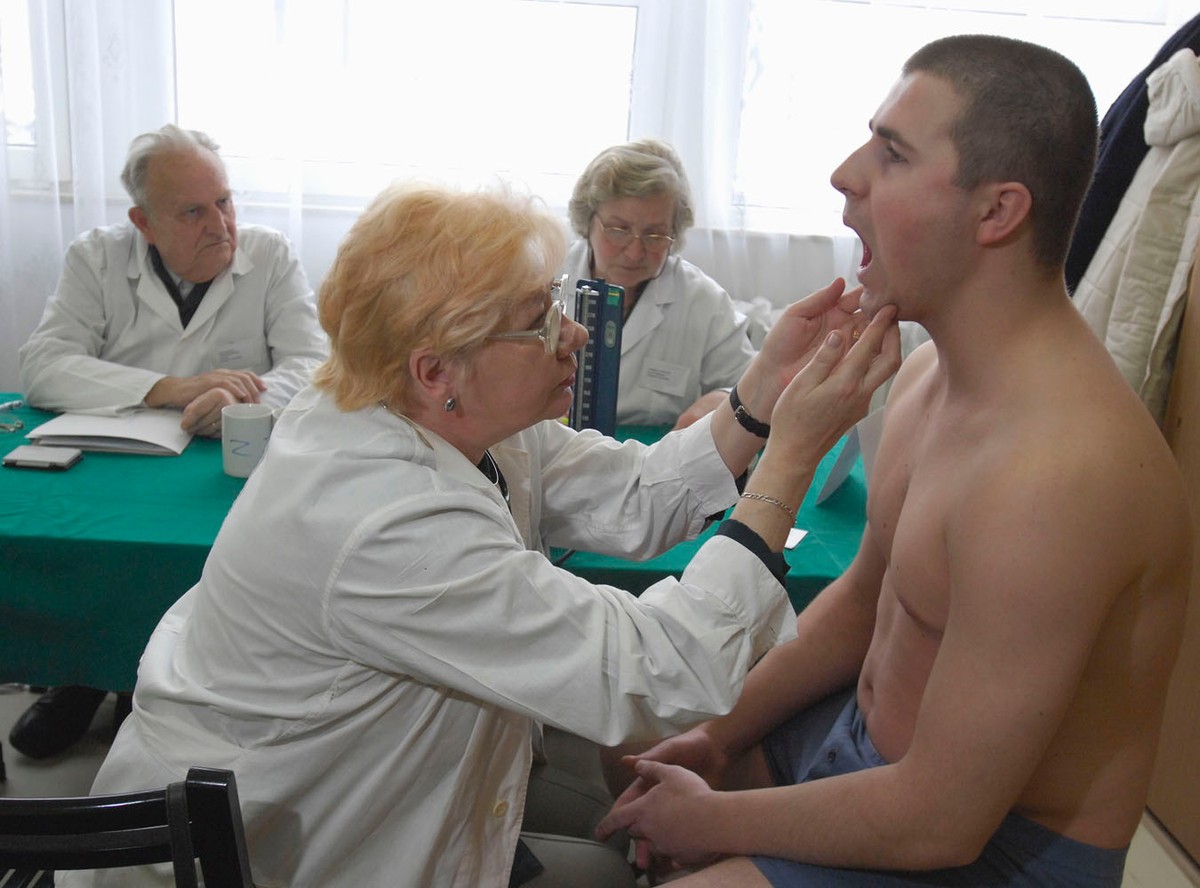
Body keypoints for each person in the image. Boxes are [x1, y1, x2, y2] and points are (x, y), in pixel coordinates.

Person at [61, 181, 900, 887]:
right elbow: (659, 672)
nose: (574, 333)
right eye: (540, 320)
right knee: (616, 865)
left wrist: (760, 393)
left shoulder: (430, 410)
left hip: (369, 789)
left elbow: (635, 495)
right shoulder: (383, 516)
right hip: (279, 851)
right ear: (438, 370)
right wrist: (790, 460)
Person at [595, 34, 1192, 888]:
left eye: (893, 154)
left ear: (997, 212)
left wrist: (708, 817)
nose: (845, 175)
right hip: (867, 748)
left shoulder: (1061, 475)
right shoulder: (924, 377)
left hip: (983, 844)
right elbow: (864, 602)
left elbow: (940, 823)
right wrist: (714, 737)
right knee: (633, 744)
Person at [12, 124, 327, 762]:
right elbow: (42, 366)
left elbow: (314, 364)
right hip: (117, 465)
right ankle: (82, 677)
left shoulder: (269, 255)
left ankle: (148, 689)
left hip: (227, 466)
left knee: (207, 563)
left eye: (225, 202)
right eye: (192, 212)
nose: (221, 225)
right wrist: (168, 388)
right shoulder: (96, 257)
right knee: (92, 552)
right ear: (143, 222)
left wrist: (246, 399)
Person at [562, 138, 757, 429]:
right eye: (618, 229)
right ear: (587, 221)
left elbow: (751, 388)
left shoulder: (703, 300)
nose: (634, 252)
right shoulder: (541, 280)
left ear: (675, 233)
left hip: (655, 451)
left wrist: (719, 401)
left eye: (655, 235)